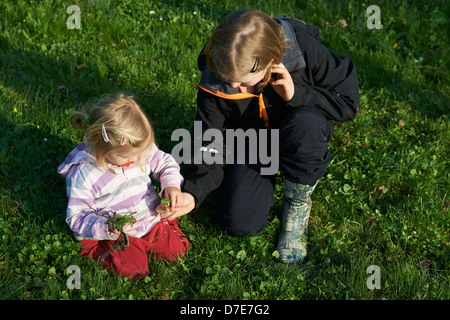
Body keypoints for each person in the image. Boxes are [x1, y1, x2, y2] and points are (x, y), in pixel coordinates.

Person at [159, 9, 359, 263]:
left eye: (243, 81)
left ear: (271, 60)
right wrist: (192, 192)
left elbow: (347, 102)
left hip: (300, 129)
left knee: (307, 123)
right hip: (252, 143)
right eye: (228, 80)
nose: (234, 87)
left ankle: (297, 202)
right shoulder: (218, 72)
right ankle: (265, 171)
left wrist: (296, 95)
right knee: (239, 223)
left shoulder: (303, 51)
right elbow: (209, 140)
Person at [57, 93, 190, 279]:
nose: (135, 160)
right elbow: (77, 216)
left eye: (139, 154)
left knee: (176, 252)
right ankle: (95, 245)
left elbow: (165, 163)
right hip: (119, 231)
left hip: (150, 217)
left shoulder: (136, 148)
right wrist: (106, 227)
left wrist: (171, 185)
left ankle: (153, 235)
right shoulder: (85, 174)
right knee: (133, 270)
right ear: (103, 148)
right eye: (127, 158)